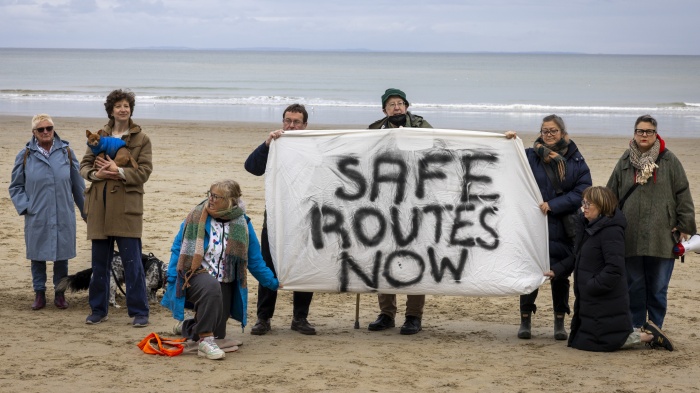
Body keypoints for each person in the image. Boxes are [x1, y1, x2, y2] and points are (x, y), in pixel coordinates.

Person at [161, 180, 280, 360]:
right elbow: (179, 248)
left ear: (231, 200)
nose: (211, 199)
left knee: (219, 333)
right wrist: (171, 276)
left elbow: (254, 260)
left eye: (216, 196)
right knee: (210, 288)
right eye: (210, 194)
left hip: (225, 280)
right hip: (195, 275)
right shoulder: (195, 216)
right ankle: (205, 342)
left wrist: (272, 283)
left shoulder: (243, 224)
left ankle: (188, 326)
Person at [545, 186, 674, 352]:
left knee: (607, 340)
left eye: (588, 204)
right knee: (588, 340)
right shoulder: (587, 226)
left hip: (605, 298)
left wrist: (592, 285)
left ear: (601, 205)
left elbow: (614, 268)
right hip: (591, 300)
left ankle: (649, 336)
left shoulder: (611, 231)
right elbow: (578, 255)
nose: (583, 207)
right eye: (583, 202)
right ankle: (646, 334)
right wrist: (557, 270)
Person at [505, 114, 592, 340]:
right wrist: (509, 141)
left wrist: (553, 205)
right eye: (545, 131)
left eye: (553, 131)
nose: (549, 135)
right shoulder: (531, 155)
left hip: (564, 225)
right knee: (530, 271)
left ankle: (559, 321)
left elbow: (583, 190)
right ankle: (525, 319)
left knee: (560, 274)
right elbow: (507, 160)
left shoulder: (575, 159)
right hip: (534, 224)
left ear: (562, 133)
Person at [606, 114, 696, 329]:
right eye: (640, 131)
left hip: (662, 235)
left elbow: (682, 192)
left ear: (656, 134)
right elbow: (611, 194)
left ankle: (655, 329)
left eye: (649, 131)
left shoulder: (669, 160)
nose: (644, 135)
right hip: (631, 234)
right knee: (634, 287)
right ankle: (636, 329)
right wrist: (608, 224)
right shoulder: (625, 160)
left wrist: (684, 224)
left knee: (658, 288)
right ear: (634, 133)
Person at [80, 89, 153, 327]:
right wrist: (96, 173)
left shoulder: (141, 139)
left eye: (127, 106)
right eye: (118, 106)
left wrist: (118, 170)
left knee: (133, 262)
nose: (123, 109)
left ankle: (139, 312)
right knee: (99, 262)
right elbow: (84, 166)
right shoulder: (98, 136)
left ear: (131, 109)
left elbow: (144, 172)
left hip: (126, 207)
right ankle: (98, 310)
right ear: (111, 110)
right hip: (99, 206)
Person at [244, 103, 317, 336]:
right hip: (277, 216)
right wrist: (266, 144)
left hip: (306, 217)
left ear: (305, 125)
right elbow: (252, 167)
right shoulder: (274, 145)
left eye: (296, 122)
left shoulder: (315, 147)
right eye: (287, 120)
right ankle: (263, 319)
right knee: (269, 265)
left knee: (304, 265)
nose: (291, 126)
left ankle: (300, 318)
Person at [366, 88, 432, 335]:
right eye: (392, 104)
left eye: (401, 103)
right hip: (383, 202)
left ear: (406, 106)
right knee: (384, 257)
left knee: (414, 257)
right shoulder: (374, 131)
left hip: (415, 201)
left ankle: (413, 316)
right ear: (384, 110)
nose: (397, 107)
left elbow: (435, 151)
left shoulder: (422, 126)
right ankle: (386, 313)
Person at [9, 114, 86, 310]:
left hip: (62, 213)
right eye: (41, 129)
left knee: (62, 255)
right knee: (37, 255)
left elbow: (78, 187)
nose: (46, 132)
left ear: (54, 129)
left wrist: (87, 213)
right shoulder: (25, 155)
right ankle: (39, 294)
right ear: (34, 132)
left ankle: (60, 294)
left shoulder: (66, 152)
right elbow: (16, 187)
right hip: (37, 214)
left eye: (49, 128)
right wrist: (26, 207)